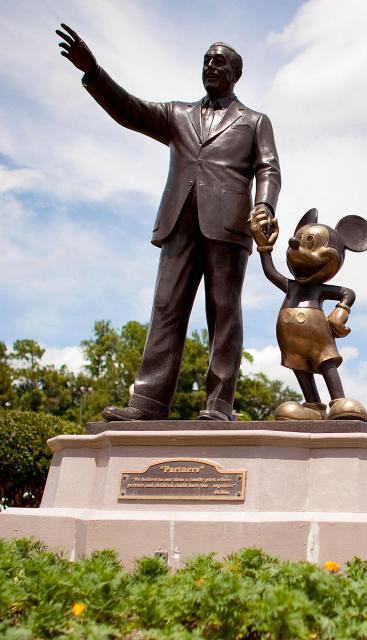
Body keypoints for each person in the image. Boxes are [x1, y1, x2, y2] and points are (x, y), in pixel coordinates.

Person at [56, 24, 281, 422]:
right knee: (166, 309)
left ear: (236, 74)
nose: (210, 66)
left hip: (228, 227)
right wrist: (93, 72)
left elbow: (269, 168)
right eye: (206, 60)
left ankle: (219, 404)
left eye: (219, 61)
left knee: (223, 312)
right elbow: (129, 110)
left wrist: (263, 206)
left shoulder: (254, 121)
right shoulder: (177, 114)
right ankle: (147, 403)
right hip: (179, 222)